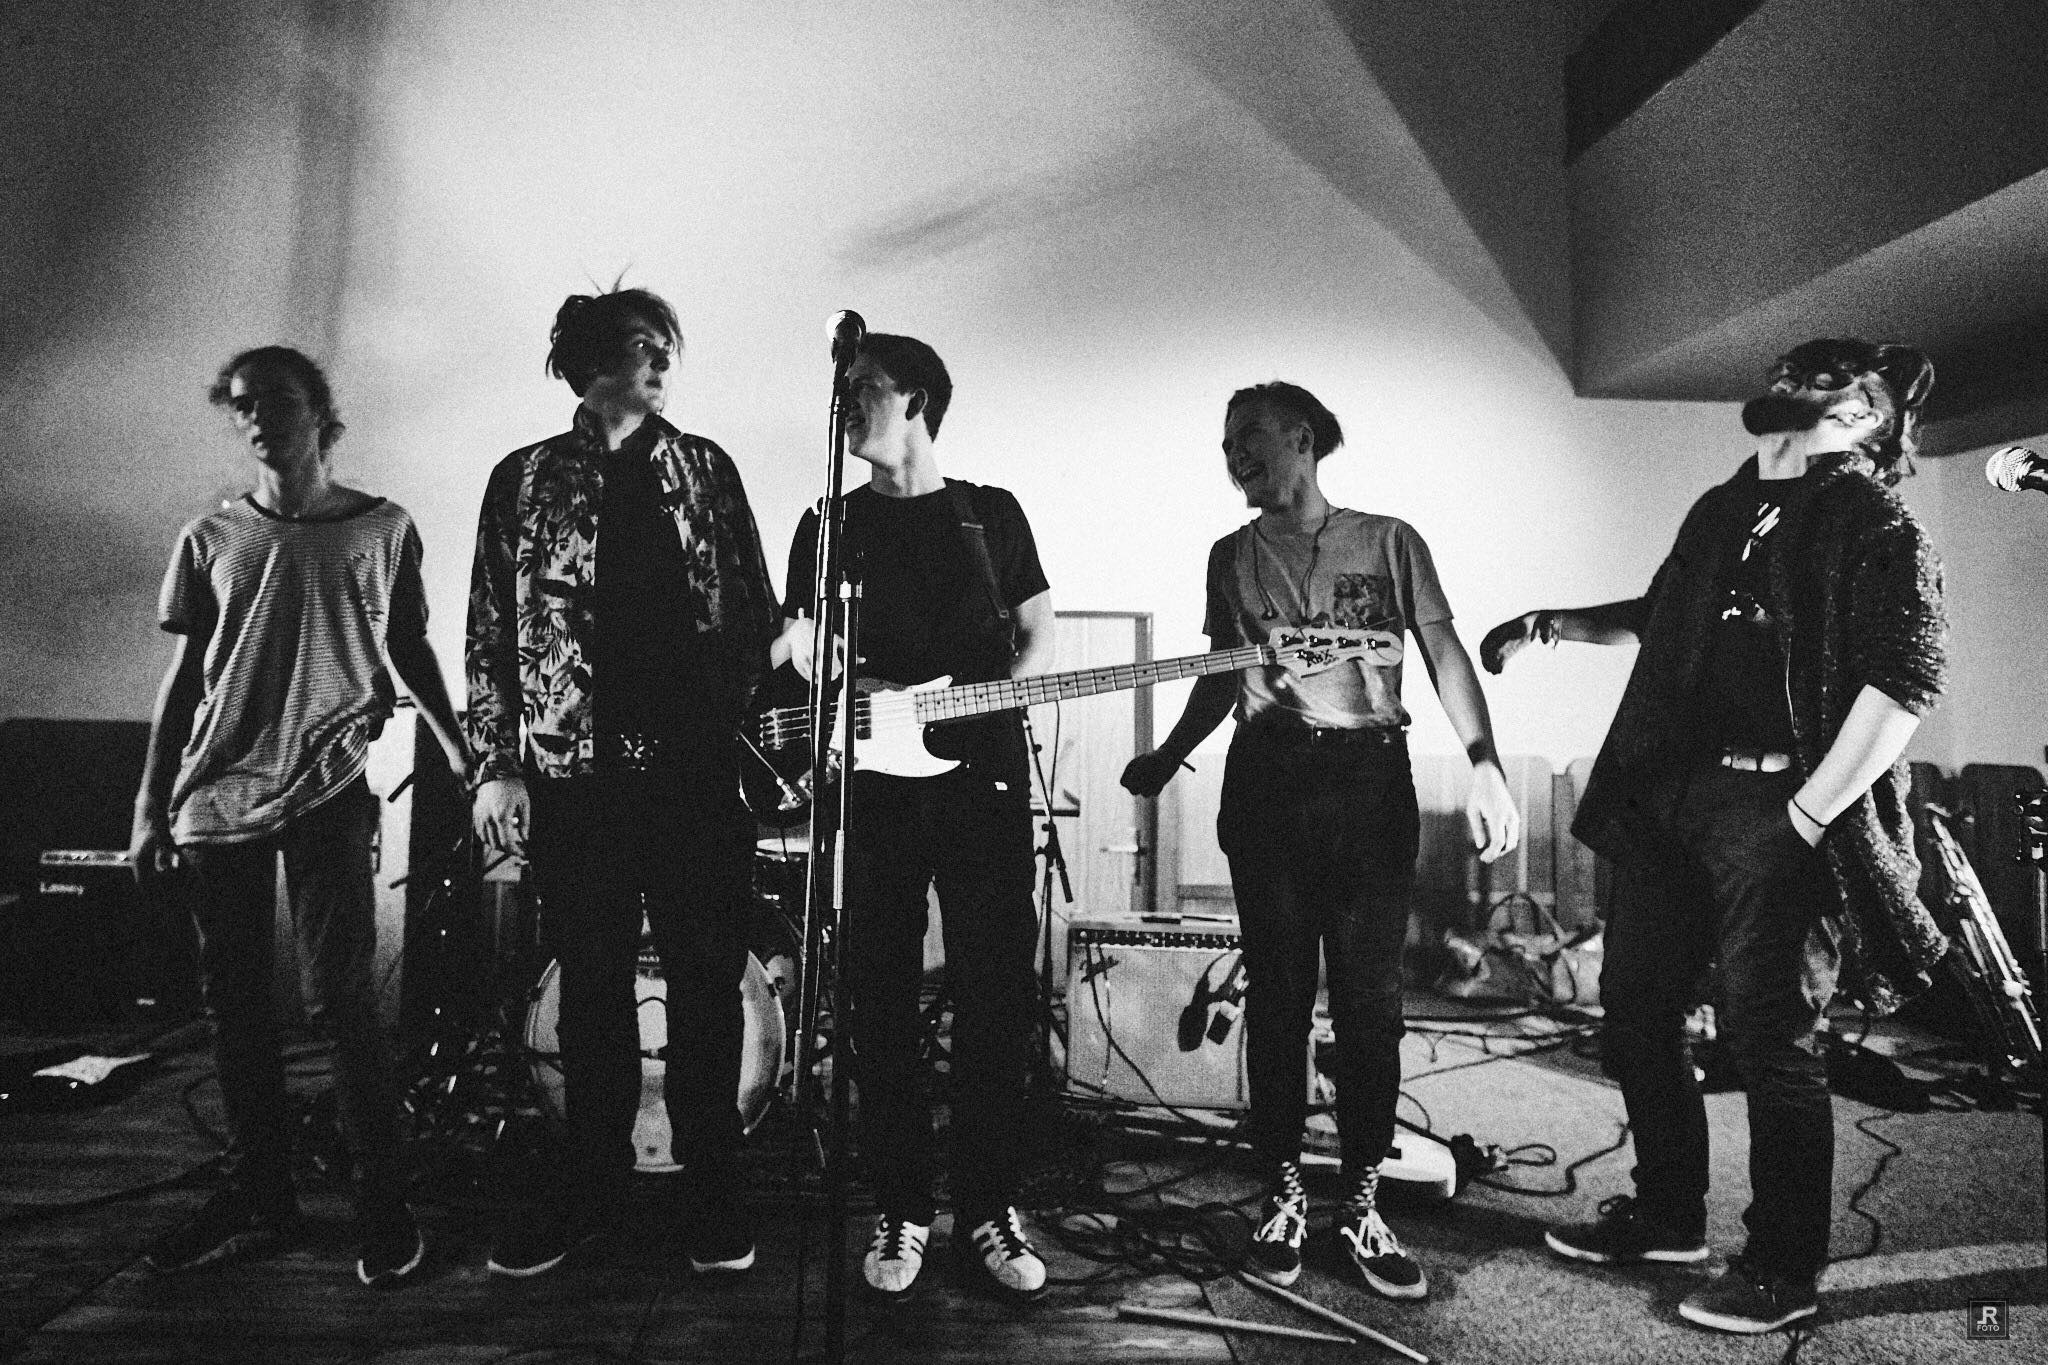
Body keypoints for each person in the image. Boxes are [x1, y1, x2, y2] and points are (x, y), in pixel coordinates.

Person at [1483, 339, 1947, 1334]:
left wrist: (1808, 814)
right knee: (1635, 1007)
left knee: (1770, 1040)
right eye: (1789, 375)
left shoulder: (1875, 523)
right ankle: (1666, 1215)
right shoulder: (1724, 506)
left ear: (1868, 418)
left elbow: (1903, 683)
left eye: (1826, 384)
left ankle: (1782, 1267)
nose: (1794, 389)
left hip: (1780, 803)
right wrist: (1552, 623)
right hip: (1676, 796)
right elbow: (1661, 615)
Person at [1121, 381, 1521, 1301]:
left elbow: (1444, 652)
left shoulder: (1389, 539)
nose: (1234, 457)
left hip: (1369, 781)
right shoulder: (1229, 555)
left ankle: (1363, 1203)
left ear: (1302, 438)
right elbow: (1222, 674)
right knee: (1279, 1000)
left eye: (1249, 437)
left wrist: (1487, 762)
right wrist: (1170, 754)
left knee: (1371, 1006)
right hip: (1268, 780)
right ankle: (1284, 1195)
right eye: (1226, 445)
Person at [130, 346, 470, 1287]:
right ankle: (260, 1198)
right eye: (241, 405)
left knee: (343, 1003)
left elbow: (409, 646)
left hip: (326, 784)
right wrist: (149, 805)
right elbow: (184, 682)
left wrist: (454, 742)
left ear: (320, 411)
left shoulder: (382, 528)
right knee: (236, 1008)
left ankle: (383, 1207)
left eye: (275, 401)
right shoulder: (212, 536)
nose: (256, 419)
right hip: (217, 791)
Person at [466, 287, 779, 1278]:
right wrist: (495, 765)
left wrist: (768, 719)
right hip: (574, 777)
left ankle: (712, 1192)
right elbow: (488, 635)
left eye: (665, 347)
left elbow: (757, 614)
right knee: (590, 988)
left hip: (695, 773)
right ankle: (588, 1191)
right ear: (590, 359)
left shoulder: (705, 470)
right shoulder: (524, 479)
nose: (661, 362)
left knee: (705, 985)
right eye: (643, 346)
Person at [776, 332, 1056, 1302]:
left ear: (918, 400)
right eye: (842, 387)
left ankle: (988, 1204)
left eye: (864, 387)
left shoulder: (989, 514)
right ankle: (899, 1205)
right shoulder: (827, 523)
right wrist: (825, 666)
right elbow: (802, 643)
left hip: (984, 783)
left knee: (995, 997)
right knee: (878, 999)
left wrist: (995, 697)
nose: (845, 402)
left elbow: (1036, 632)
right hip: (875, 788)